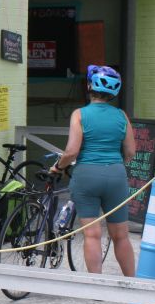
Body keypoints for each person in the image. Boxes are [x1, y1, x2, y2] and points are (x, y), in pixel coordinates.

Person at [50, 65, 136, 277]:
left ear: (89, 86)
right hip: (116, 175)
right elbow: (131, 151)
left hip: (87, 175)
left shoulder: (80, 114)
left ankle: (96, 287)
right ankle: (134, 285)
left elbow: (71, 152)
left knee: (92, 234)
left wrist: (58, 167)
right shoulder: (121, 116)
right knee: (121, 235)